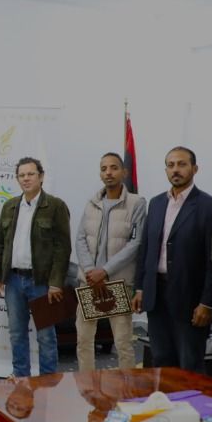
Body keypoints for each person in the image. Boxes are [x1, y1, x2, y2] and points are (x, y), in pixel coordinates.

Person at [132, 147, 212, 373]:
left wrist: (207, 303)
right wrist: (140, 287)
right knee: (161, 360)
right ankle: (166, 398)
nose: (176, 170)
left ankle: (191, 399)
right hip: (156, 295)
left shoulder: (210, 207)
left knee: (189, 364)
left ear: (195, 168)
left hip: (189, 299)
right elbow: (146, 249)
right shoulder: (156, 203)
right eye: (171, 165)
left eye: (182, 164)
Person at [0, 157, 71, 378]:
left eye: (30, 174)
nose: (26, 179)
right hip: (13, 280)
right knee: (17, 333)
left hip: (42, 282)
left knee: (46, 335)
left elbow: (62, 249)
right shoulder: (9, 206)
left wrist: (56, 283)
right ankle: (21, 377)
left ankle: (48, 381)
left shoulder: (55, 206)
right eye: (21, 175)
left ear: (41, 176)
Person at [74, 152, 147, 372]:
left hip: (117, 283)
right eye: (104, 168)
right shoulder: (92, 203)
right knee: (84, 341)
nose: (108, 172)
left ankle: (127, 388)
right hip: (89, 282)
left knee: (123, 343)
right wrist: (90, 271)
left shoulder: (136, 203)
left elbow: (135, 243)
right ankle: (87, 386)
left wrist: (104, 271)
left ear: (124, 172)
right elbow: (80, 239)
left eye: (114, 168)